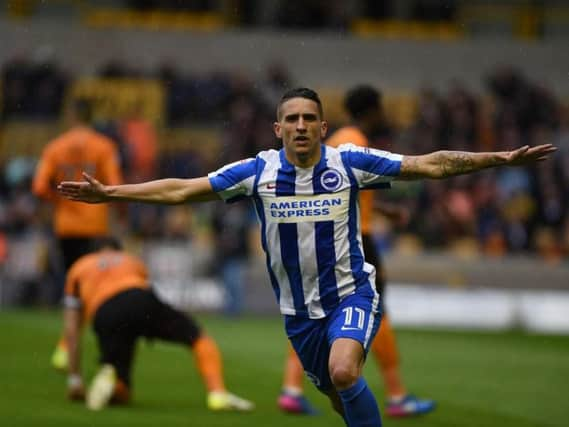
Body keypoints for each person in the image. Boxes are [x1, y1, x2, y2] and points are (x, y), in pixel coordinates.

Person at [58, 87, 555, 427]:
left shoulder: (350, 163)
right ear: (278, 128)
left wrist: (501, 159)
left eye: (309, 119)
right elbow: (182, 190)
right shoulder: (258, 171)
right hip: (299, 315)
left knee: (344, 371)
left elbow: (429, 165)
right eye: (292, 119)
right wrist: (113, 194)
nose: (300, 126)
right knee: (339, 396)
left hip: (350, 294)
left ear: (323, 127)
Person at [277, 85, 434, 417]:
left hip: (345, 231)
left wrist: (385, 211)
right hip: (354, 238)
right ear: (373, 110)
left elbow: (339, 187)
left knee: (317, 312)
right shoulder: (354, 139)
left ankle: (291, 387)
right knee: (375, 310)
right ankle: (396, 394)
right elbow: (337, 186)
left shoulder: (337, 140)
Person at [63, 236, 254, 412]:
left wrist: (74, 379)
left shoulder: (79, 267)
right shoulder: (130, 260)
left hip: (103, 312)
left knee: (122, 389)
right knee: (198, 338)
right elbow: (143, 292)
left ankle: (113, 377)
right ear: (117, 249)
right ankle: (217, 393)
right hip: (138, 298)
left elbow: (71, 330)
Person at [32, 98, 124, 370]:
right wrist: (118, 214)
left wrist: (59, 201)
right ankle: (79, 346)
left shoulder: (55, 147)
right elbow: (115, 185)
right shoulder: (104, 146)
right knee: (96, 288)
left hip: (66, 227)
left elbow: (38, 187)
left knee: (73, 286)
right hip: (94, 226)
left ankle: (67, 345)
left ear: (71, 116)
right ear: (91, 116)